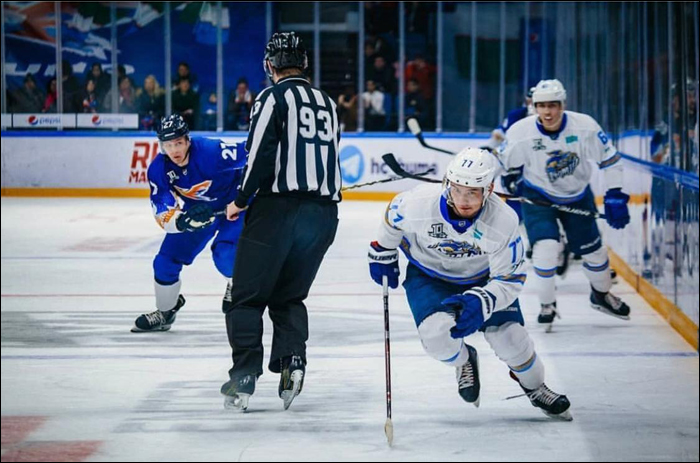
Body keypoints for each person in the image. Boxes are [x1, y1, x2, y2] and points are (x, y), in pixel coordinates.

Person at [368, 147, 572, 420]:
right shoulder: (418, 203)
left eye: (473, 192)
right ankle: (464, 361)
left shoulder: (503, 220)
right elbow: (392, 218)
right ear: (447, 184)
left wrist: (481, 300)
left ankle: (535, 388)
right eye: (457, 189)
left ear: (488, 190)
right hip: (429, 276)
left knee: (511, 339)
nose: (463, 199)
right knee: (435, 335)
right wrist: (383, 251)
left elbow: (510, 278)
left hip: (484, 280)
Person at [221, 31, 341, 412]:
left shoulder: (271, 98)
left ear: (269, 66)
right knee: (289, 296)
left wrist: (239, 200)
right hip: (323, 215)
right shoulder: (328, 103)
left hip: (277, 211)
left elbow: (259, 154)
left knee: (245, 297)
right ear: (304, 63)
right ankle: (292, 362)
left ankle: (243, 375)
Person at [500, 79, 631, 331]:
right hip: (538, 196)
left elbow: (610, 160)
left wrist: (614, 194)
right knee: (546, 249)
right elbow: (503, 163)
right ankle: (547, 305)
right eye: (541, 106)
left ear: (563, 105)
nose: (547, 112)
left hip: (578, 195)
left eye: (553, 105)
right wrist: (496, 179)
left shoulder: (585, 126)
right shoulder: (521, 131)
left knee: (594, 253)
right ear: (534, 106)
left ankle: (601, 295)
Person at [131, 114, 247, 332]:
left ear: (188, 140)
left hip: (236, 206)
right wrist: (182, 222)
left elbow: (254, 153)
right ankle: (166, 311)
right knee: (164, 262)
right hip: (199, 212)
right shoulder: (159, 170)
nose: (174, 150)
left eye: (178, 143)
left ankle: (235, 283)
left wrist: (245, 197)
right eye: (168, 145)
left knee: (225, 253)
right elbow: (162, 208)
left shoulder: (211, 152)